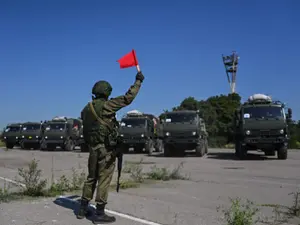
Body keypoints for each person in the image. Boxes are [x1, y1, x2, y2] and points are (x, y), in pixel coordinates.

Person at [77, 71, 144, 223]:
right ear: (106, 93)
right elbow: (128, 98)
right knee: (104, 179)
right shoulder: (107, 106)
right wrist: (138, 82)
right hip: (105, 150)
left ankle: (82, 208)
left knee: (91, 178)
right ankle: (99, 214)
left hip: (92, 148)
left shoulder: (86, 109)